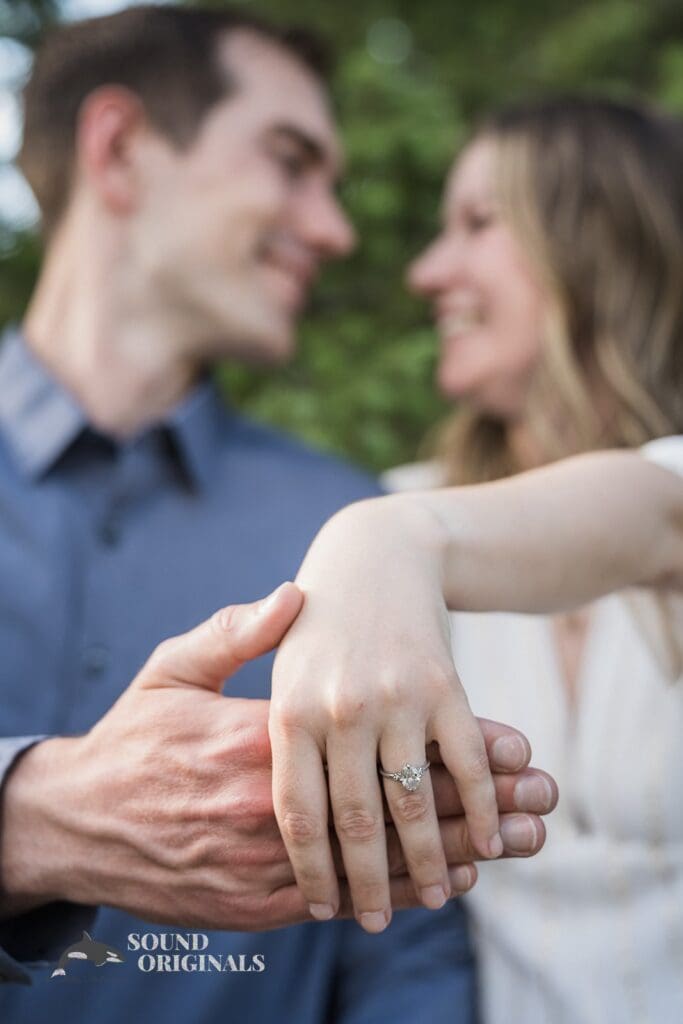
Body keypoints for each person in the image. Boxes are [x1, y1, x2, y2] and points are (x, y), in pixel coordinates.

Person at [0, 5, 554, 1018]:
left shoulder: (346, 526)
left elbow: (410, 946)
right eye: (289, 161)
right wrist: (31, 815)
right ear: (120, 150)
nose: (334, 229)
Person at [267, 97, 683, 1023]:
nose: (426, 271)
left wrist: (387, 534)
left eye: (478, 224)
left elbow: (657, 509)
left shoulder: (396, 535)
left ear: (602, 243)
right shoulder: (391, 511)